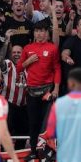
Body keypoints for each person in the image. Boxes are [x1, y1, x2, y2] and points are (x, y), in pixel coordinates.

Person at [19, 20, 61, 152]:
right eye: (37, 31)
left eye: (42, 31)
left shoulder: (52, 48)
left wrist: (56, 89)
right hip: (31, 90)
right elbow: (19, 67)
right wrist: (28, 61)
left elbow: (57, 69)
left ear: (47, 33)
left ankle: (47, 151)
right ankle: (33, 151)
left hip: (47, 90)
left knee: (47, 123)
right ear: (34, 33)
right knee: (33, 123)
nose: (40, 34)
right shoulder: (27, 48)